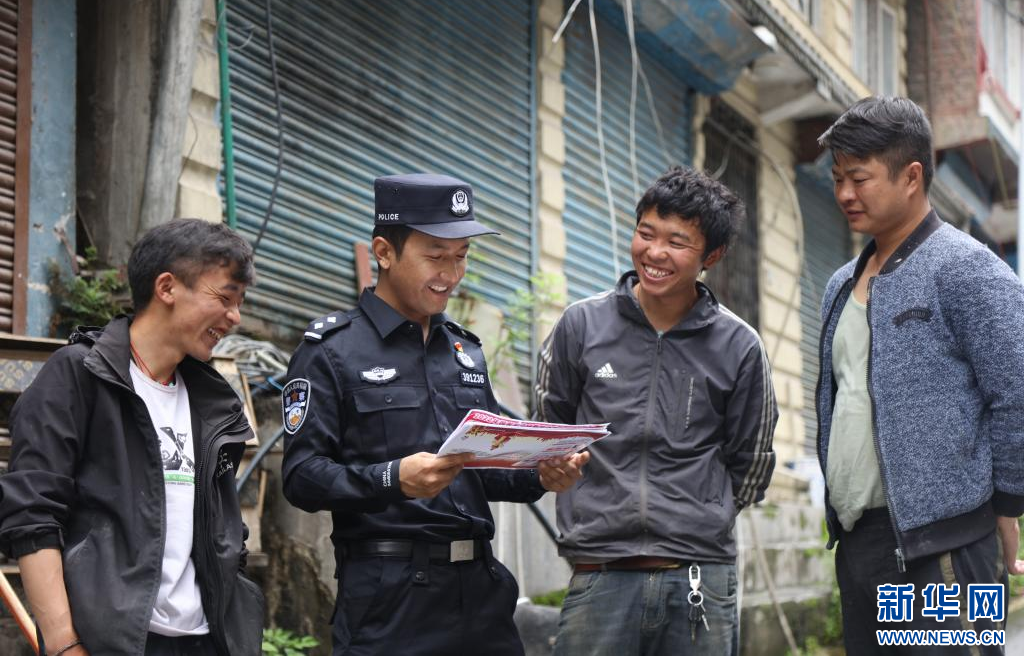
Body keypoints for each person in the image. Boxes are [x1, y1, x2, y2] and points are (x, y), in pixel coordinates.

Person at [281, 173, 588, 656]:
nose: (451, 273)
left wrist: (541, 474)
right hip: (390, 599)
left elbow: (482, 469)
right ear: (384, 252)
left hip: (481, 592)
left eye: (461, 256)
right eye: (435, 256)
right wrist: (393, 479)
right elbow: (301, 477)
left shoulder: (465, 351)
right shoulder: (331, 351)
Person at [535, 166, 778, 655]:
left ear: (712, 256)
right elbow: (547, 433)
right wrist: (556, 469)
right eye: (646, 234)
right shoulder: (581, 325)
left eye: (677, 241)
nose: (655, 252)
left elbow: (751, 462)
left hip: (700, 577)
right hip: (600, 573)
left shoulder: (739, 345)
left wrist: (703, 511)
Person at [816, 96, 1024, 654]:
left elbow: (1016, 392)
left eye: (859, 179)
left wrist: (1007, 505)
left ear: (911, 177)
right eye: (837, 179)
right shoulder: (839, 284)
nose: (844, 194)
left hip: (948, 551)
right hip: (861, 546)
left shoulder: (966, 268)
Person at [0, 218, 265, 656]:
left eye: (239, 303)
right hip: (113, 642)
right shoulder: (78, 376)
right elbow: (32, 517)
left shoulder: (212, 401)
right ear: (167, 287)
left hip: (205, 640)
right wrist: (64, 643)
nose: (235, 317)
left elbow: (224, 530)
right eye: (225, 298)